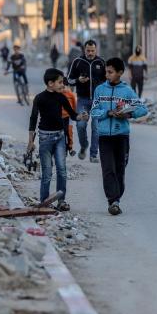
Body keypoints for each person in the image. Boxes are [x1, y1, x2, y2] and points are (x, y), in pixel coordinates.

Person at [90, 57, 148, 215]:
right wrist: (107, 112)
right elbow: (93, 111)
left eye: (110, 72)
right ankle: (113, 201)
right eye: (106, 71)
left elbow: (142, 109)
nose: (107, 75)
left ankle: (117, 198)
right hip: (104, 137)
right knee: (108, 169)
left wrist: (127, 114)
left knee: (120, 169)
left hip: (121, 136)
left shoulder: (127, 91)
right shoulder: (99, 90)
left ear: (120, 73)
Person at [28, 68, 88, 211]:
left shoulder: (61, 97)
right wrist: (30, 141)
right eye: (60, 82)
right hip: (45, 138)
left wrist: (81, 116)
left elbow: (73, 115)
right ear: (50, 83)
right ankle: (44, 202)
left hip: (60, 137)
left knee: (62, 170)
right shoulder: (40, 98)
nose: (63, 85)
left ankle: (61, 201)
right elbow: (33, 119)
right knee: (47, 173)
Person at [67, 40, 106, 163]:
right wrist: (78, 80)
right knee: (80, 125)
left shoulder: (101, 62)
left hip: (97, 101)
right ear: (84, 50)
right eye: (88, 50)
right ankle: (84, 145)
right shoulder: (77, 62)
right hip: (82, 100)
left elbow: (107, 81)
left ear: (96, 50)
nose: (90, 53)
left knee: (96, 128)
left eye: (92, 51)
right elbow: (69, 80)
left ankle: (93, 154)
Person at [60, 83, 78, 156]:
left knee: (69, 131)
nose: (63, 88)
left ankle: (70, 148)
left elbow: (74, 105)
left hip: (69, 116)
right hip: (59, 116)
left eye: (64, 86)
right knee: (60, 132)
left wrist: (74, 114)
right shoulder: (57, 94)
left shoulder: (70, 94)